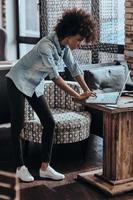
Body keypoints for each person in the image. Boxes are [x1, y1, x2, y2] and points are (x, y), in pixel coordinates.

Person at [6, 8, 97, 182]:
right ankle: (20, 167)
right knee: (17, 124)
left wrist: (86, 90)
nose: (80, 44)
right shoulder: (45, 46)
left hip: (33, 84)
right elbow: (55, 77)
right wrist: (76, 95)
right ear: (69, 34)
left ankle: (45, 168)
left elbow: (74, 69)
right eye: (79, 40)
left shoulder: (63, 47)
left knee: (49, 122)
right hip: (16, 81)